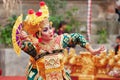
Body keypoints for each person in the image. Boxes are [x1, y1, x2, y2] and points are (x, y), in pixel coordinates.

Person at [12, 1, 105, 80]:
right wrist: (22, 37)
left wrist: (91, 49)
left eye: (50, 28)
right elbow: (21, 44)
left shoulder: (60, 40)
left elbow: (77, 37)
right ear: (38, 34)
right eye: (45, 30)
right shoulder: (34, 47)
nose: (50, 31)